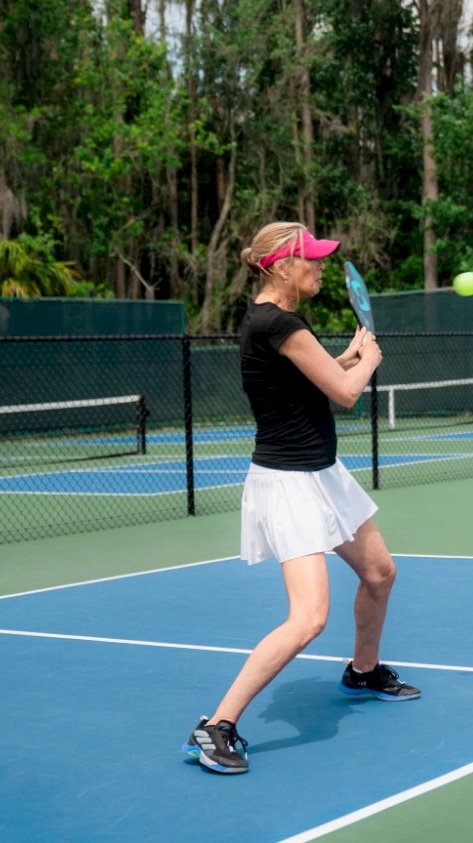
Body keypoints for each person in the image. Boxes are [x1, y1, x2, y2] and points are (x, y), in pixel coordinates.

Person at [184, 222, 419, 774]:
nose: (318, 266)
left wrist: (349, 354)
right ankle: (215, 727)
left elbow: (314, 377)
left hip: (321, 473)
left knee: (380, 573)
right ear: (280, 267)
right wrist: (367, 362)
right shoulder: (276, 322)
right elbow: (343, 394)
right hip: (288, 483)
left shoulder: (281, 323)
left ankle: (362, 672)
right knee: (309, 616)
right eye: (310, 259)